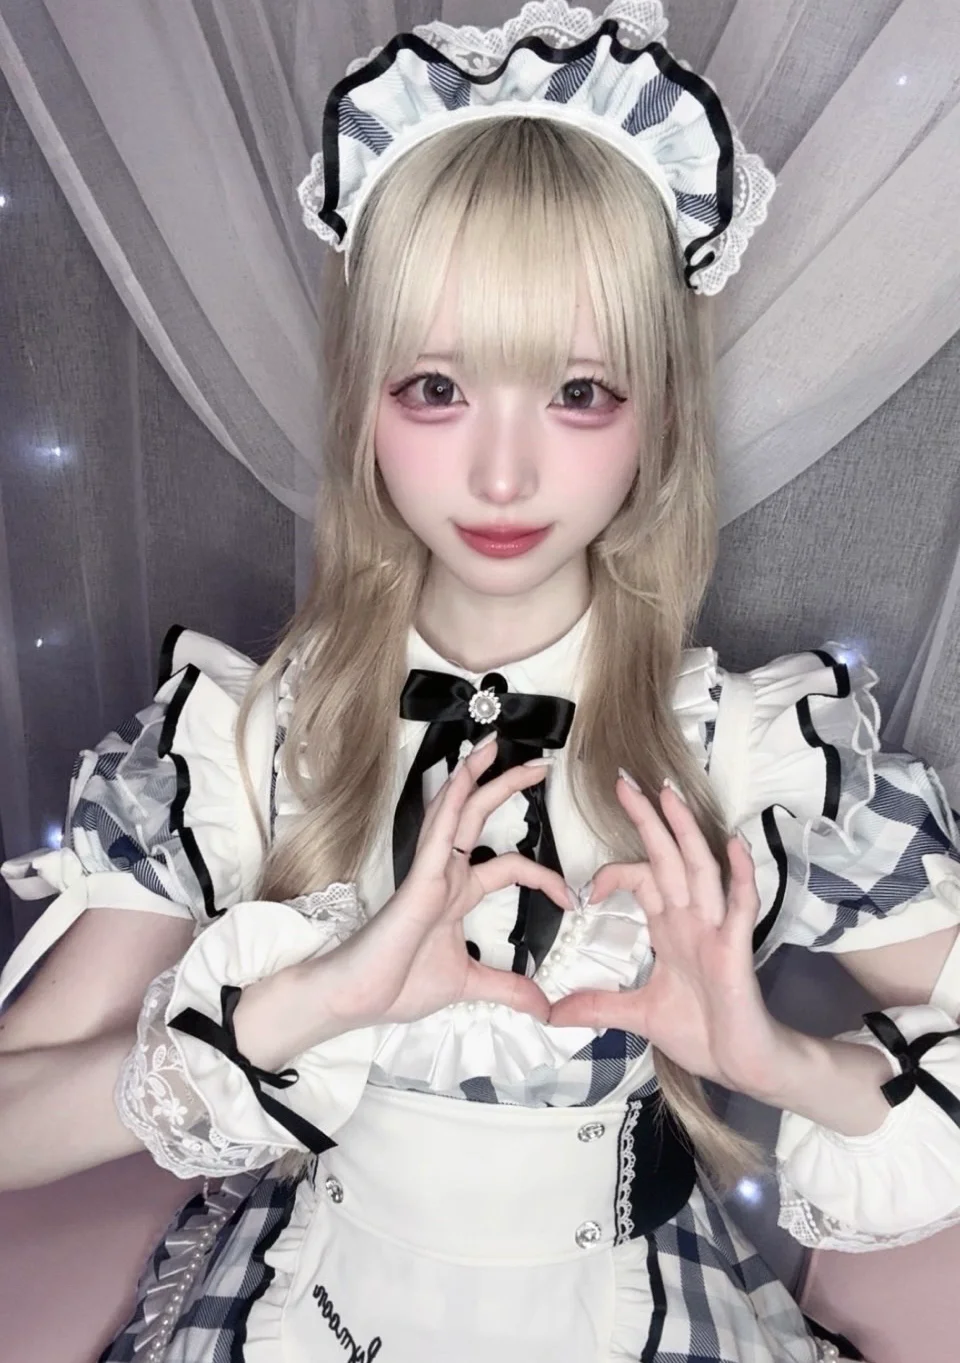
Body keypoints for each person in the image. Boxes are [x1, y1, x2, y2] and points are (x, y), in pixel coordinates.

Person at [1, 3, 959, 1360]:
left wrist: (779, 1061)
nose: (502, 475)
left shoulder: (747, 750)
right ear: (361, 396)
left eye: (579, 392)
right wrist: (283, 1017)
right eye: (437, 389)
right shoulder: (248, 736)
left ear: (661, 410)